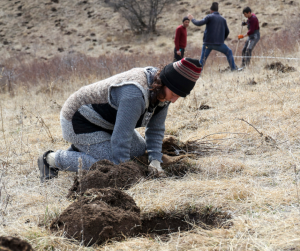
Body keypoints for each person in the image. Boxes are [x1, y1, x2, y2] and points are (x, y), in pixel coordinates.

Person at [38, 58, 202, 182]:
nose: (174, 100)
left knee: (139, 150)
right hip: (78, 120)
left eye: (179, 96)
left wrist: (155, 161)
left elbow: (156, 129)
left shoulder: (161, 93)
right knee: (107, 163)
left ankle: (83, 149)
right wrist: (123, 171)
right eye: (174, 94)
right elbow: (121, 137)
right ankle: (51, 159)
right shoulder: (135, 94)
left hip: (107, 123)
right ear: (165, 82)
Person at [188, 2, 237, 71]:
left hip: (207, 43)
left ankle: (197, 75)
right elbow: (227, 32)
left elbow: (198, 23)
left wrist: (192, 19)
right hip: (219, 44)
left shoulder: (209, 16)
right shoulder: (223, 19)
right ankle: (234, 70)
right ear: (217, 10)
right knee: (229, 52)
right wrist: (222, 39)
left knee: (202, 61)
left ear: (211, 10)